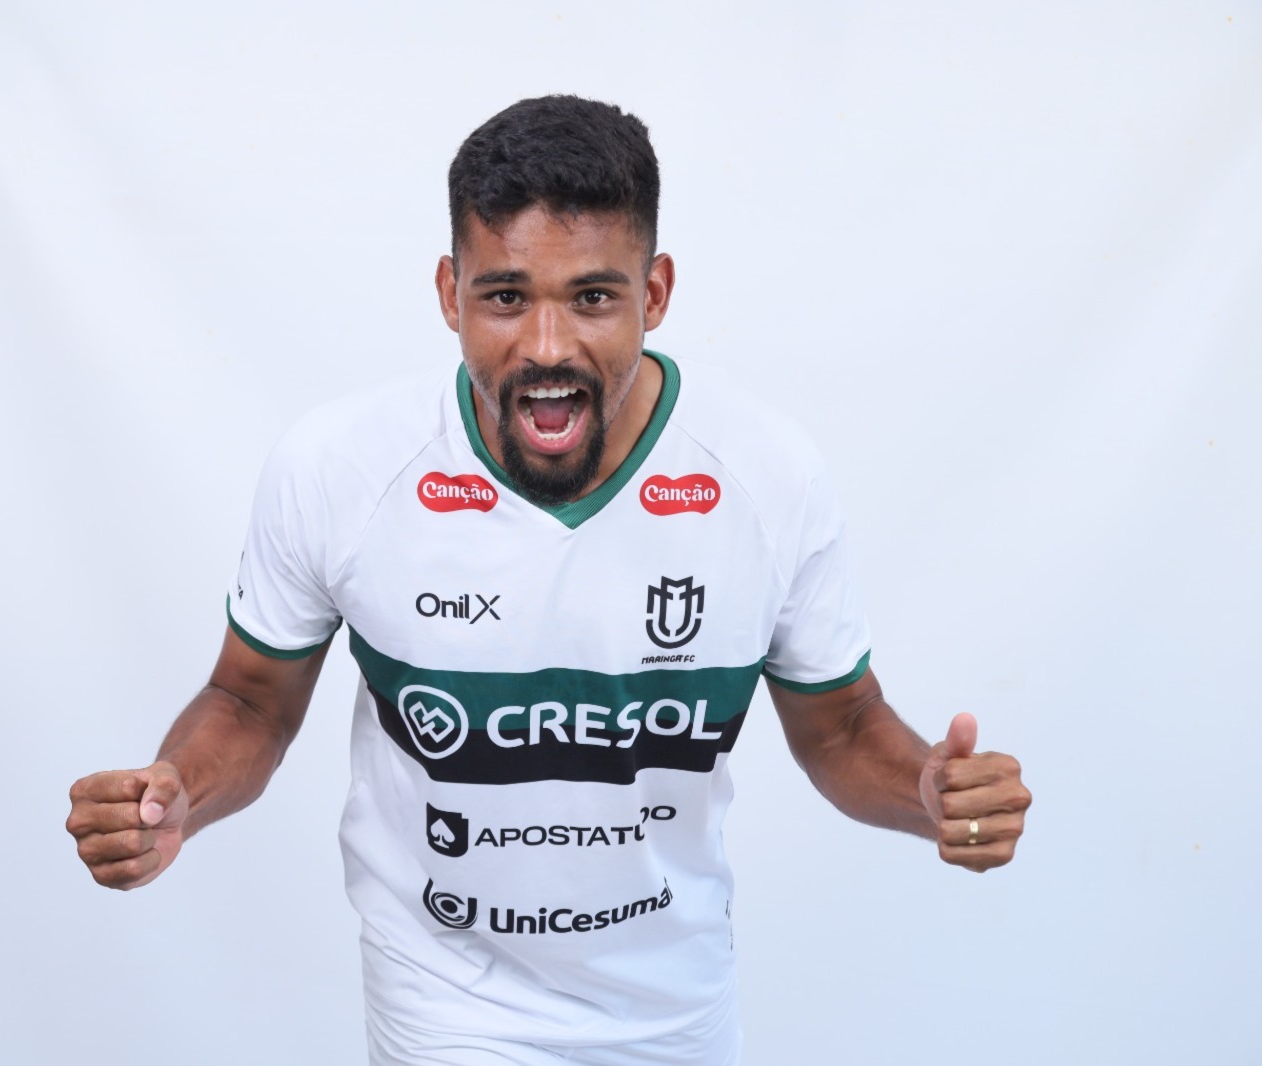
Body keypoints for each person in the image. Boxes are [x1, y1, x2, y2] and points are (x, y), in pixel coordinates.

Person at [66, 95, 1030, 1065]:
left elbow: (844, 727)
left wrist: (927, 791)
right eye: (505, 296)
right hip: (444, 1008)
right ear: (449, 292)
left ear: (655, 293)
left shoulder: (766, 476)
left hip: (674, 1014)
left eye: (593, 298)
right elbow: (249, 700)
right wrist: (176, 792)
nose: (547, 346)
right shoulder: (340, 468)